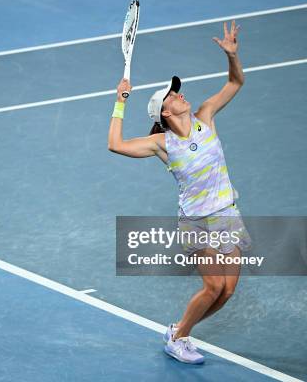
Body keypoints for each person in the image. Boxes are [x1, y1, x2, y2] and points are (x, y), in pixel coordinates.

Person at [107, 20, 251, 364]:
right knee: (213, 286)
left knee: (228, 292)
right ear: (165, 113)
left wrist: (232, 56)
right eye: (174, 95)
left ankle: (180, 329)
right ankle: (177, 336)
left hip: (228, 214)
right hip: (197, 222)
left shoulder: (206, 115)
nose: (180, 94)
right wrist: (120, 102)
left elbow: (235, 82)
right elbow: (115, 144)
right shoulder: (162, 144)